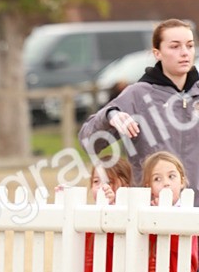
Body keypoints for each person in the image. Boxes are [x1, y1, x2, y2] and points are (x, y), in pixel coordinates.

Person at [78, 18, 199, 200]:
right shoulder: (137, 95)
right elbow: (89, 142)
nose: (184, 52)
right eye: (175, 46)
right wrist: (109, 116)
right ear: (157, 53)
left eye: (189, 45)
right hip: (149, 207)